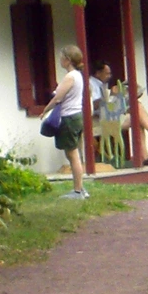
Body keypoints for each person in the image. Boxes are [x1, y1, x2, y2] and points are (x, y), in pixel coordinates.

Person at [89, 61, 148, 166]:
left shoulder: (102, 84)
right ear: (98, 73)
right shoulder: (91, 84)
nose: (109, 76)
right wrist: (110, 94)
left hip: (109, 115)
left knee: (136, 106)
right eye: (107, 73)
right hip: (98, 120)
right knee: (136, 116)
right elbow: (93, 105)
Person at [41, 45, 88, 199]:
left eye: (62, 57)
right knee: (74, 153)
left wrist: (45, 110)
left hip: (68, 117)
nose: (60, 60)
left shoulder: (70, 77)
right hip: (77, 115)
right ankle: (81, 188)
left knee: (72, 154)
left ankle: (77, 191)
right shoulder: (78, 76)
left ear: (68, 60)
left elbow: (58, 98)